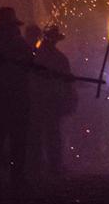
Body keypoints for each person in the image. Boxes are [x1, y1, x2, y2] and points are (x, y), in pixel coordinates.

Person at [0, 7, 31, 190]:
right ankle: (5, 175)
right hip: (7, 94)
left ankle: (3, 175)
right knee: (4, 136)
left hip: (6, 94)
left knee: (4, 136)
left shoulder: (4, 41)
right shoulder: (4, 42)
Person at [31, 25, 76, 178]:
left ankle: (39, 165)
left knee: (42, 133)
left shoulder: (36, 56)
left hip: (42, 99)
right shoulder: (55, 58)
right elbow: (67, 81)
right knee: (50, 133)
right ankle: (51, 166)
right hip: (48, 99)